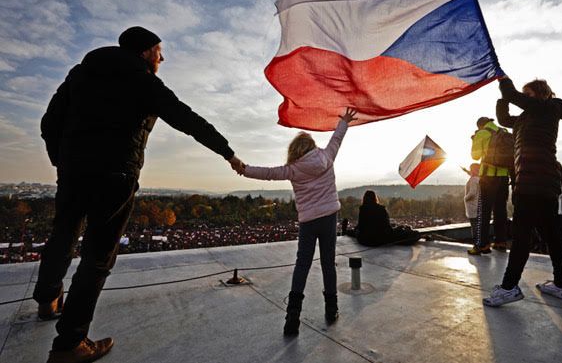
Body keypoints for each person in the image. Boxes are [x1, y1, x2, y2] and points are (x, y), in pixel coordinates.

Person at [35, 26, 244, 363]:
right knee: (98, 256)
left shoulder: (80, 73)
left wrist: (63, 161)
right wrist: (228, 152)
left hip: (74, 172)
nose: (162, 58)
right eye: (160, 51)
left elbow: (49, 122)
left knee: (63, 233)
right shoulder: (143, 80)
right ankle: (70, 343)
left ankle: (47, 300)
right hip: (115, 175)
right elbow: (186, 119)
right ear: (146, 52)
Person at [239, 108, 357, 335]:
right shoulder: (327, 157)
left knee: (302, 265)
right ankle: (331, 309)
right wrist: (344, 121)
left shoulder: (292, 170)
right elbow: (337, 137)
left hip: (308, 222)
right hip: (329, 218)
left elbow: (268, 173)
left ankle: (292, 317)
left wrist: (245, 170)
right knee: (328, 264)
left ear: (295, 150)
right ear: (311, 146)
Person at [483, 76, 562, 307]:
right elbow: (504, 119)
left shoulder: (548, 108)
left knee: (521, 237)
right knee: (552, 236)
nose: (525, 97)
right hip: (538, 182)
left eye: (528, 93)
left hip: (534, 182)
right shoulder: (528, 117)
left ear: (541, 93)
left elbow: (513, 96)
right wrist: (501, 99)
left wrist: (503, 79)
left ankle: (509, 287)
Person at [468, 116, 510, 255]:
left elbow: (475, 156)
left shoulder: (482, 133)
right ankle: (501, 242)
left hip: (488, 177)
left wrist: (475, 140)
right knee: (500, 210)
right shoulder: (503, 132)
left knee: (484, 211)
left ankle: (482, 245)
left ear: (480, 125)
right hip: (504, 176)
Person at [353, 190, 421, 246]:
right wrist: (396, 229)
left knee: (356, 231)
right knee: (413, 234)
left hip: (365, 241)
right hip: (381, 239)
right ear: (375, 198)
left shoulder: (362, 210)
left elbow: (361, 226)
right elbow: (387, 228)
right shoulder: (381, 209)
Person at [463, 164, 481, 243]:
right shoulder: (479, 179)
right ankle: (478, 243)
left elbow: (472, 193)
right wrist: (465, 170)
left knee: (474, 227)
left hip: (473, 207)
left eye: (471, 169)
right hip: (477, 206)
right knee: (477, 226)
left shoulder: (473, 180)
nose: (470, 171)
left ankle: (476, 243)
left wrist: (465, 198)